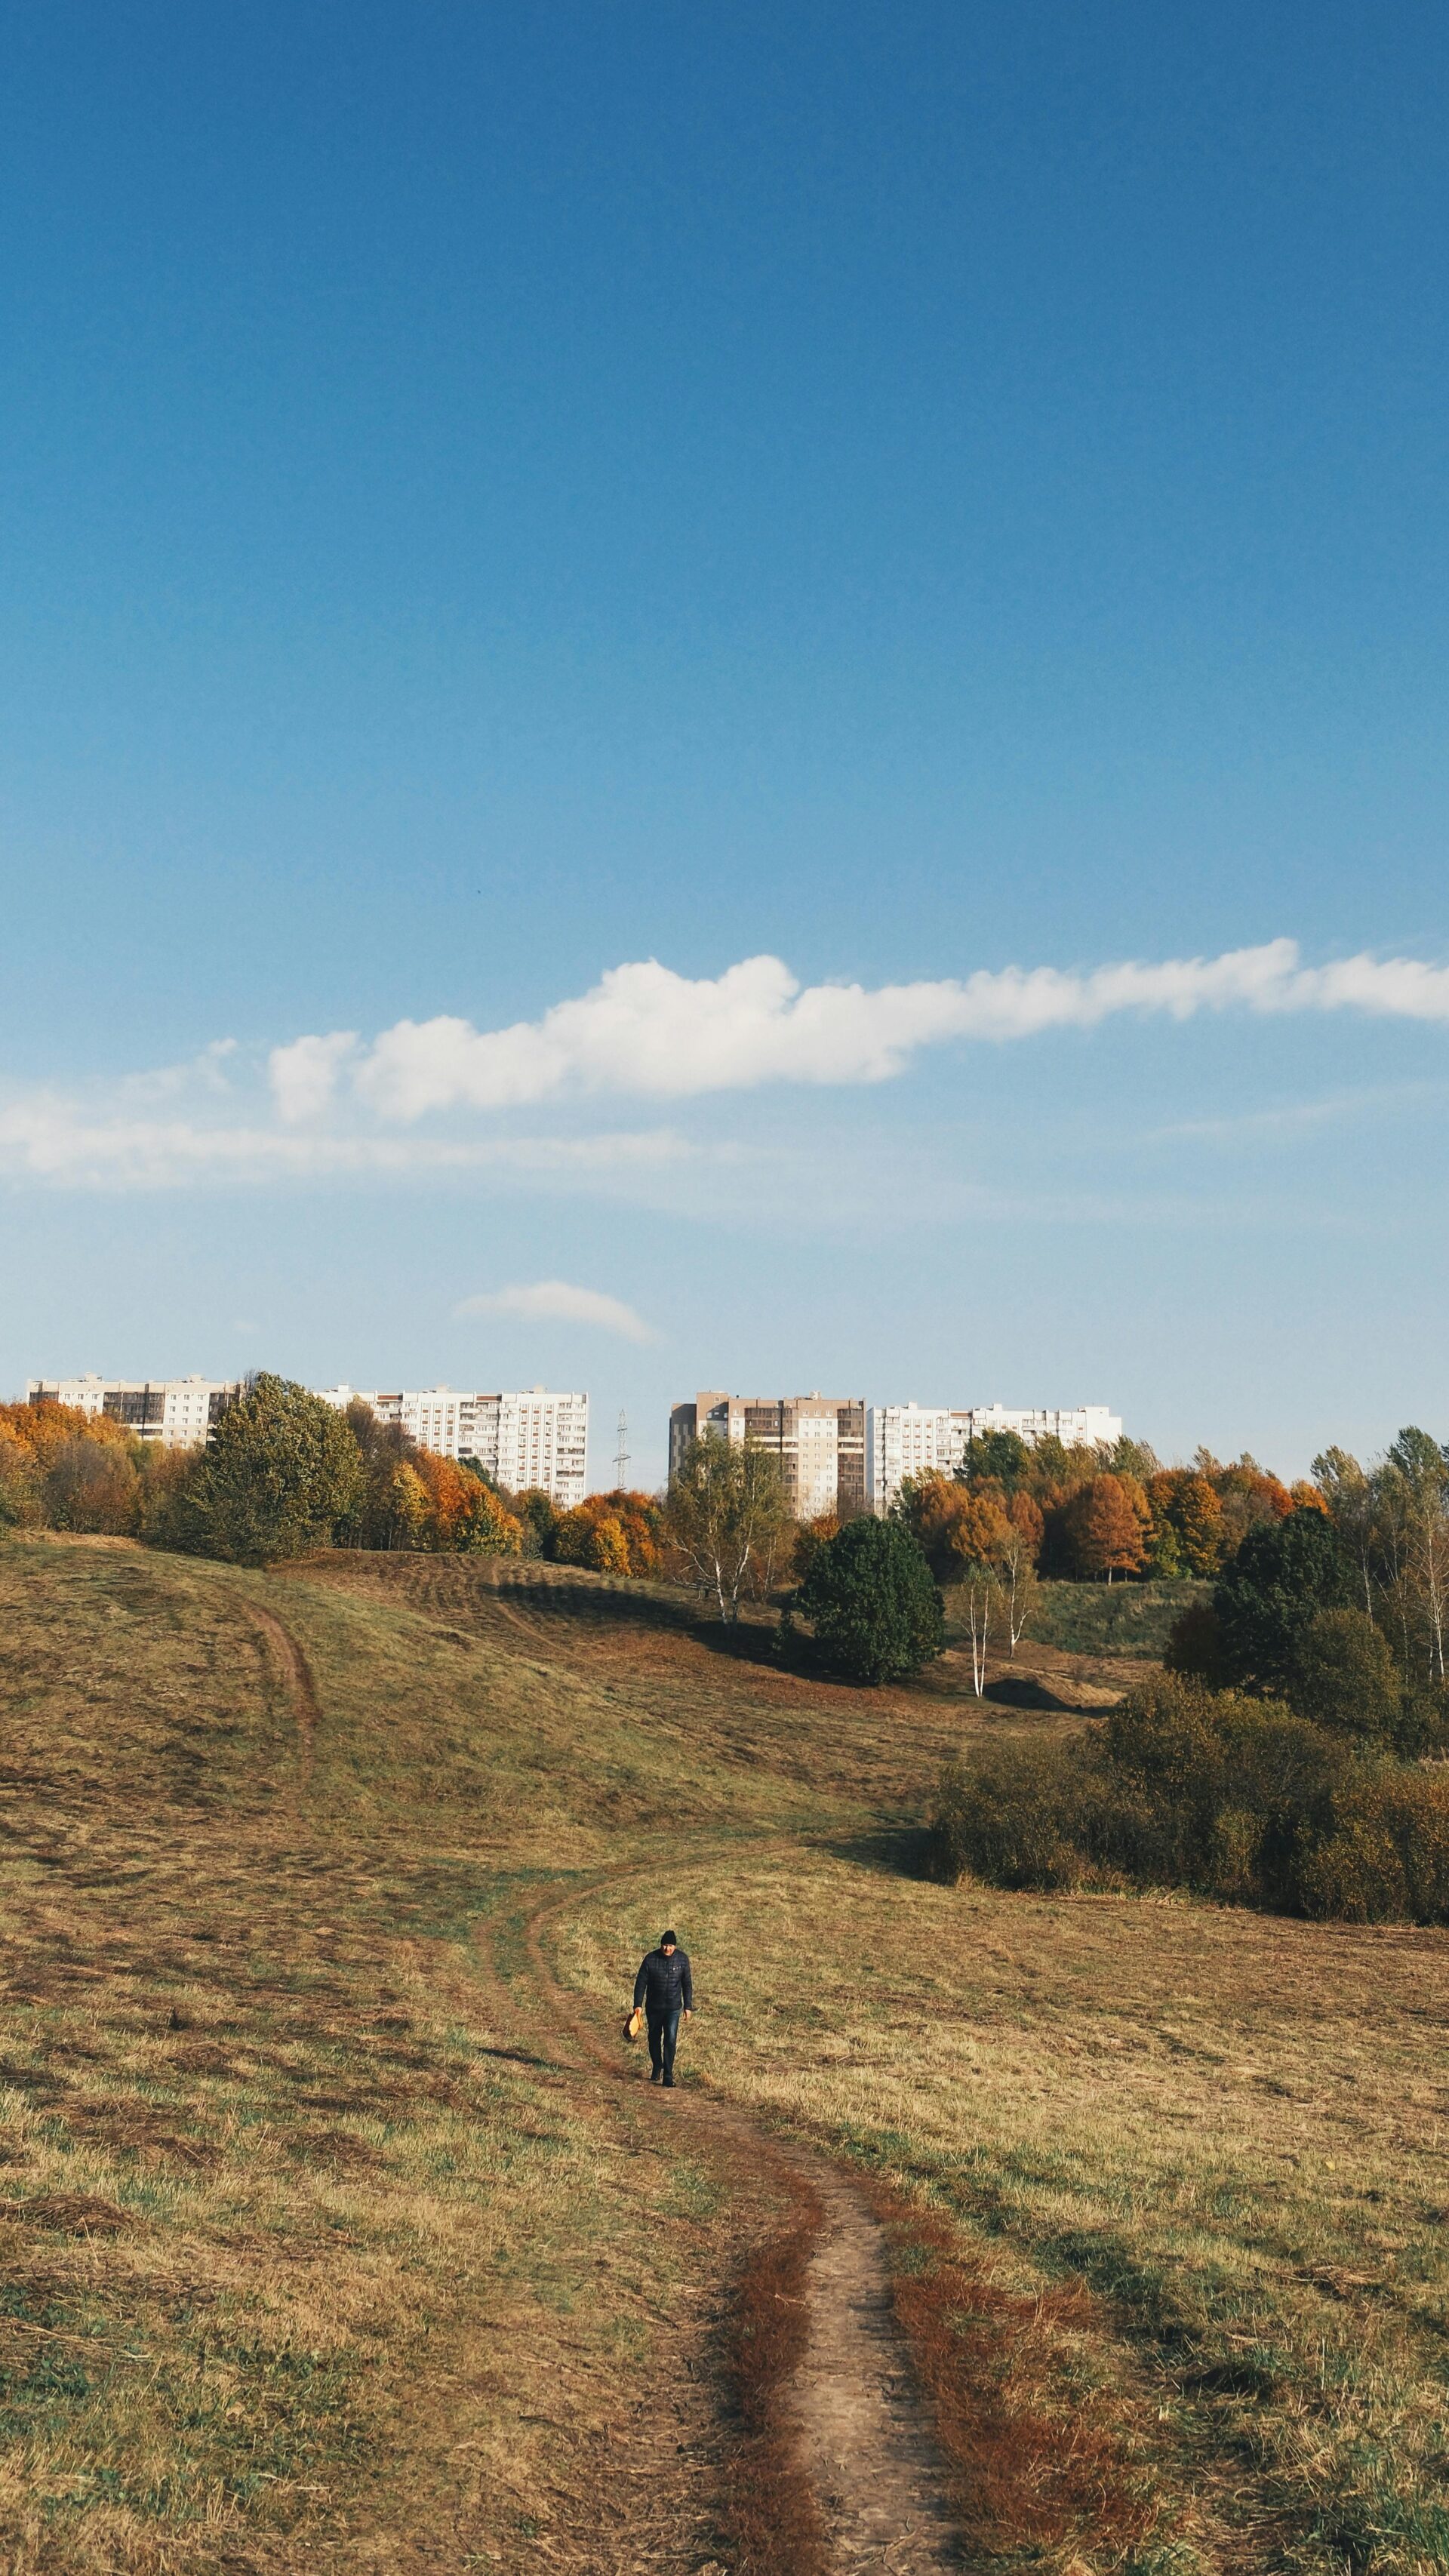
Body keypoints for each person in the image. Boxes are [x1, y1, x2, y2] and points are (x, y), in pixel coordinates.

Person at [632, 1929, 693, 2087]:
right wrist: (637, 2005)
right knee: (653, 2038)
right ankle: (657, 2065)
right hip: (654, 2008)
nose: (667, 1949)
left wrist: (688, 2006)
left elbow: (687, 1984)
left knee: (670, 2039)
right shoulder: (650, 1959)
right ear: (661, 1945)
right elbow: (640, 1983)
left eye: (670, 1945)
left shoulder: (682, 1960)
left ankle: (668, 2075)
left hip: (673, 2008)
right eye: (665, 1945)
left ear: (675, 1946)